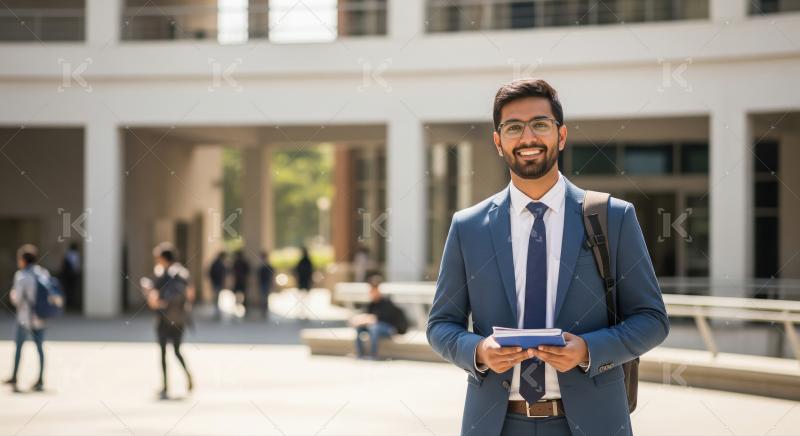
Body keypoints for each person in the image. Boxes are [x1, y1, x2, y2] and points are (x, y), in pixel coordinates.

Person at [426, 79, 669, 436]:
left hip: (593, 423)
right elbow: (440, 325)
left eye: (540, 124)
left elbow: (652, 319)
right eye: (513, 128)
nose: (528, 138)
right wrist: (478, 350)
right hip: (495, 424)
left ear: (562, 135)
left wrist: (588, 349)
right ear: (498, 141)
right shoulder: (469, 227)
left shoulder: (612, 217)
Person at [141, 242, 194, 400]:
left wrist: (157, 298)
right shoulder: (174, 273)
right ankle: (174, 381)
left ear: (164, 258)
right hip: (172, 318)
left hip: (170, 318)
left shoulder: (171, 274)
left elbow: (163, 298)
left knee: (169, 351)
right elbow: (190, 293)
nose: (157, 261)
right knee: (171, 351)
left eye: (158, 258)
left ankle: (171, 383)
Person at [4, 244, 49, 392]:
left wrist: (12, 295)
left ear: (23, 260)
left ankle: (15, 376)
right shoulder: (43, 273)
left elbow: (16, 299)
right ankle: (41, 380)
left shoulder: (21, 276)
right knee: (39, 348)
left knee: (19, 347)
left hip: (24, 318)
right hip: (40, 317)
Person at [349, 276, 408, 359]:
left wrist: (369, 319)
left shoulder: (386, 302)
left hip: (389, 329)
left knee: (374, 328)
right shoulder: (371, 304)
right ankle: (360, 354)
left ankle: (373, 355)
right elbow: (367, 315)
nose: (371, 293)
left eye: (373, 290)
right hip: (375, 328)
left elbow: (380, 319)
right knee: (360, 328)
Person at [60, 241, 81, 312]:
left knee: (67, 289)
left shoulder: (67, 253)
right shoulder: (75, 254)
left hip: (66, 275)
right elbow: (76, 265)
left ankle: (69, 303)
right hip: (72, 275)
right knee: (71, 289)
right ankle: (71, 303)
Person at [294, 246, 313, 320]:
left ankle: (304, 313)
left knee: (304, 299)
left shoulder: (306, 261)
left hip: (304, 282)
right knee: (303, 299)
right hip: (303, 282)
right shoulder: (304, 261)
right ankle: (301, 313)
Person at [208, 251, 227, 319]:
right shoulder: (219, 264)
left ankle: (217, 308)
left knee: (217, 295)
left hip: (216, 282)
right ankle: (216, 308)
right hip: (217, 282)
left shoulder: (217, 263)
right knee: (216, 295)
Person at [257, 251, 274, 320]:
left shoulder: (268, 266)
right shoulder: (261, 267)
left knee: (265, 298)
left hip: (266, 283)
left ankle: (265, 310)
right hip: (263, 283)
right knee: (263, 298)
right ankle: (263, 310)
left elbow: (271, 276)